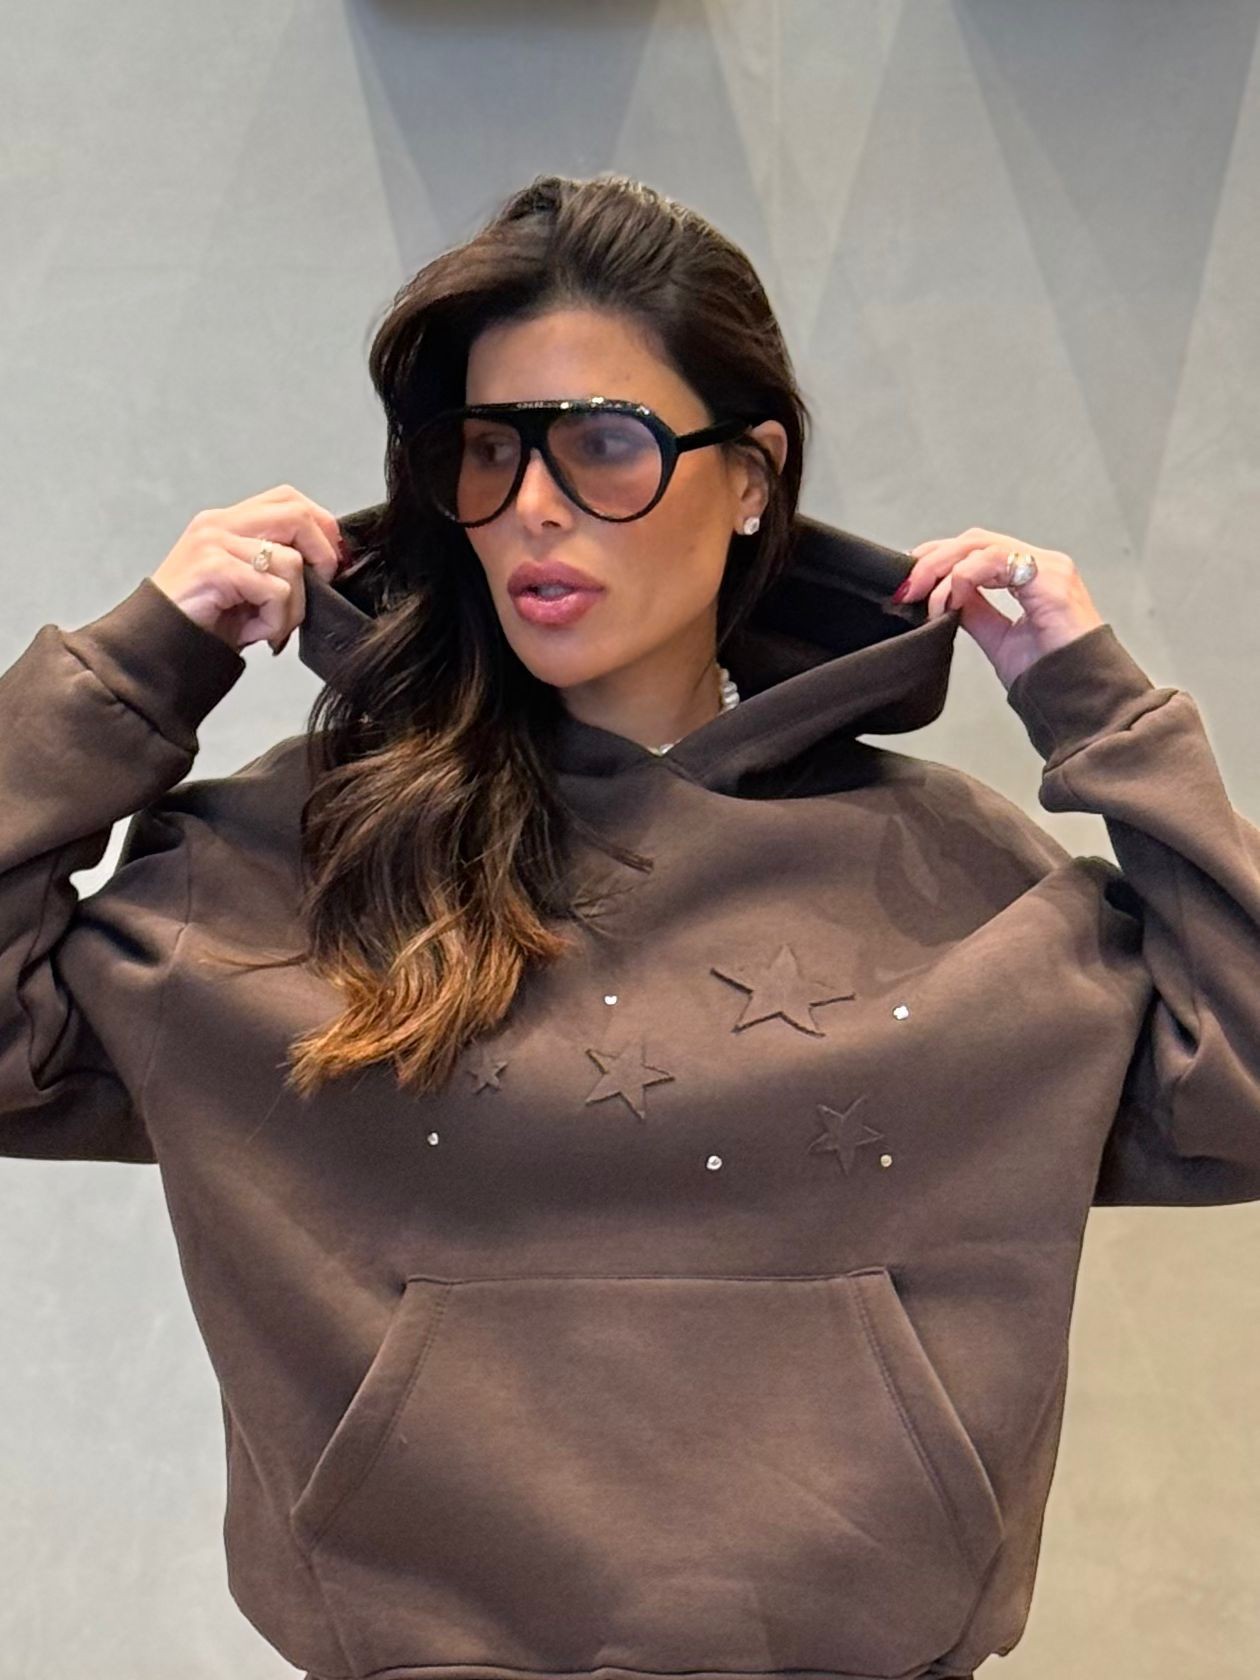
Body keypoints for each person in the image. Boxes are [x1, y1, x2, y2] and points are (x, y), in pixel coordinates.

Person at [2, 170, 1257, 1680]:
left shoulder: (949, 874)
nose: (532, 505)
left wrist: (1096, 702)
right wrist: (139, 665)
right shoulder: (297, 861)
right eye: (489, 450)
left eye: (605, 443)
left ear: (751, 477)